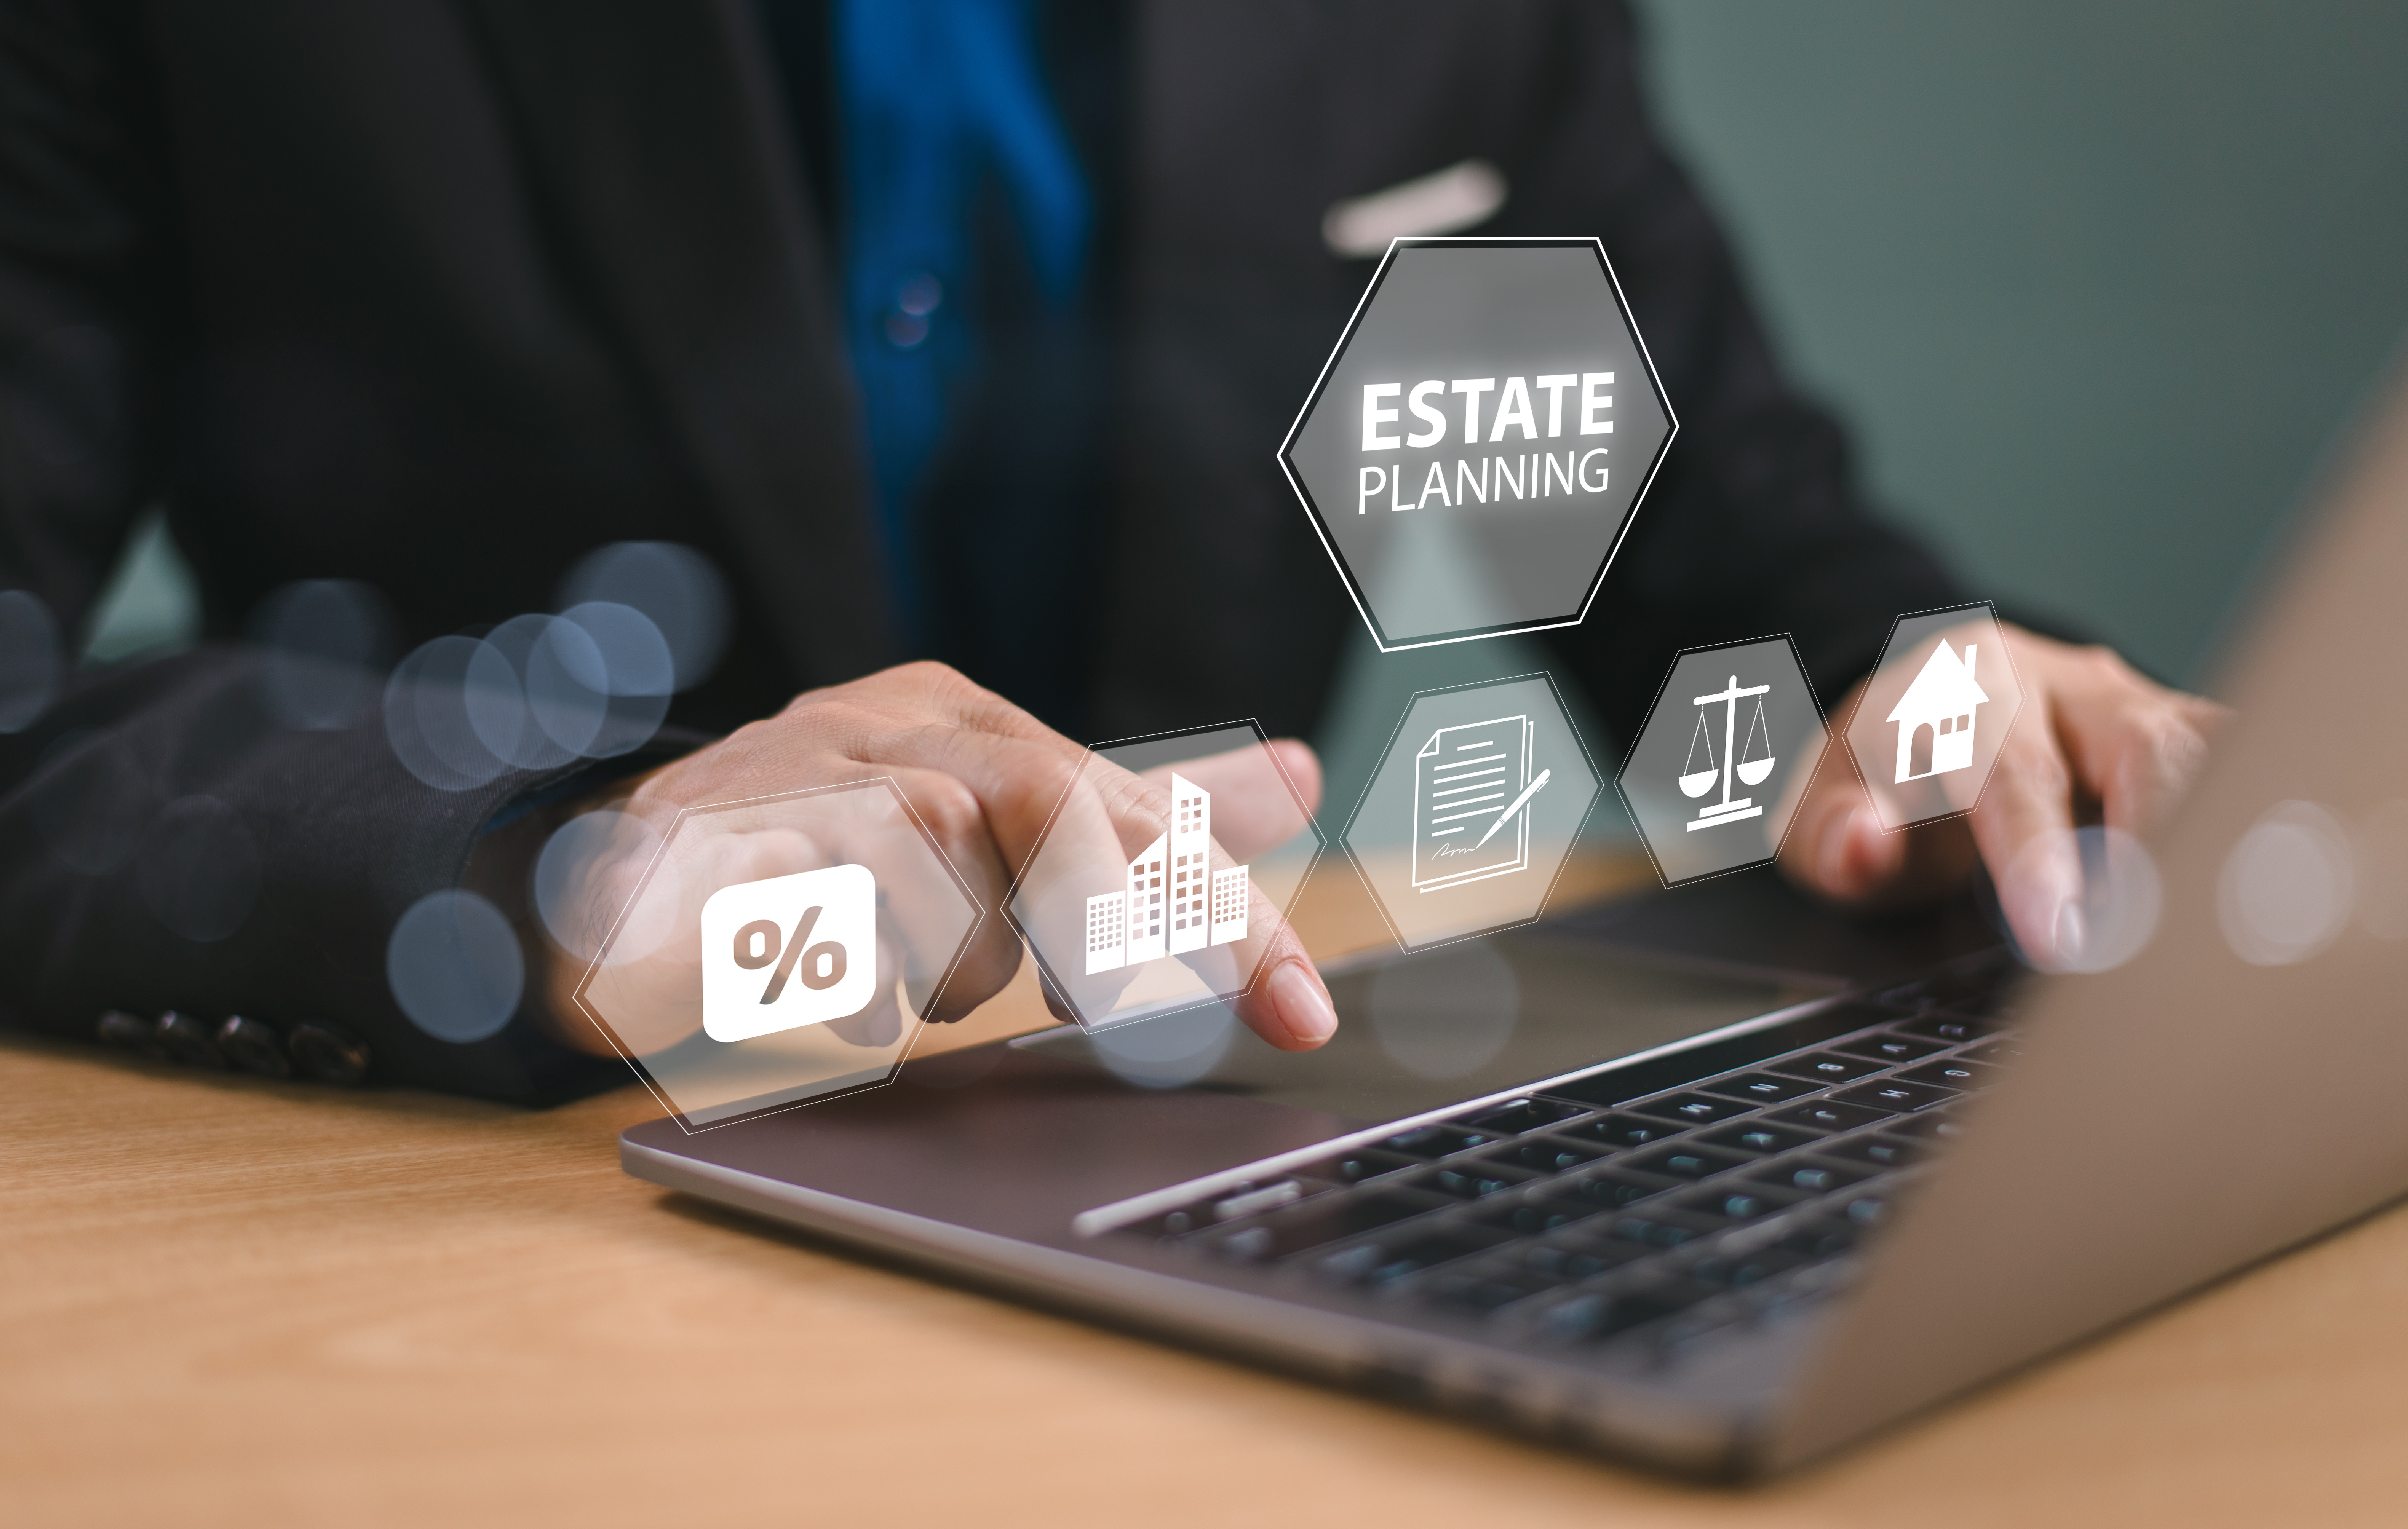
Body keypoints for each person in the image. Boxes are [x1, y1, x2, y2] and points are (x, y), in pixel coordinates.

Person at [0, 0, 2217, 1103]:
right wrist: (546, 857)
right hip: (487, 1235)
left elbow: (1746, 589)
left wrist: (1957, 722)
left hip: (1214, 1209)